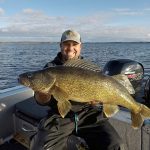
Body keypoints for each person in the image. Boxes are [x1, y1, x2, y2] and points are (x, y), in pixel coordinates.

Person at [30, 30, 124, 150]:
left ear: (80, 46)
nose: (70, 48)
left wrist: (98, 101)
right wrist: (42, 94)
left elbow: (102, 90)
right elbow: (41, 101)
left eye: (74, 44)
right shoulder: (49, 69)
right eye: (66, 44)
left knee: (115, 145)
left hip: (89, 114)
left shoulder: (89, 70)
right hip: (60, 117)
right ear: (60, 45)